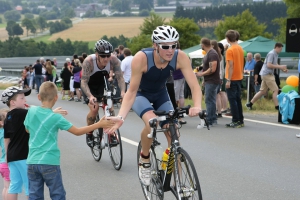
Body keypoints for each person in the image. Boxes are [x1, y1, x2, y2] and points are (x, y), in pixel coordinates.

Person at [105, 25, 202, 186]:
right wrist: (121, 116)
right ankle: (144, 159)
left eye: (174, 45)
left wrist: (197, 106)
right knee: (153, 122)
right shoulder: (141, 58)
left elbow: (194, 86)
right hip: (140, 94)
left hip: (160, 93)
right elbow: (131, 91)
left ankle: (178, 182)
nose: (170, 50)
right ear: (155, 46)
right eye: (165, 46)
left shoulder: (181, 57)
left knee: (174, 132)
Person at [23, 82, 114, 200]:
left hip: (32, 162)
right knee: (57, 194)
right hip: (49, 162)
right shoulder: (56, 118)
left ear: (39, 97)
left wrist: (49, 115)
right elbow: (77, 131)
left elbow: (27, 130)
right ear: (56, 97)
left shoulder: (31, 111)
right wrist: (99, 124)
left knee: (34, 195)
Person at [80, 39, 125, 147]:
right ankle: (89, 133)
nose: (106, 59)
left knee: (110, 107)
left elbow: (120, 78)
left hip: (102, 82)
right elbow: (84, 82)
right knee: (94, 109)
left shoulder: (114, 60)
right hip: (88, 85)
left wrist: (123, 92)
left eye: (108, 55)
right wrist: (90, 96)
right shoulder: (89, 61)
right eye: (102, 56)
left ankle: (112, 133)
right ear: (97, 54)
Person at [1, 86, 32, 199]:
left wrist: (7, 157)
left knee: (14, 185)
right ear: (13, 102)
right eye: (22, 98)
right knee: (30, 186)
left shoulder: (8, 117)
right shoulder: (22, 113)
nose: (25, 100)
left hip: (12, 156)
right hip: (24, 156)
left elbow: (6, 139)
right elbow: (39, 114)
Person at [246, 43, 288, 110]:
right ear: (277, 47)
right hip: (267, 74)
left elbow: (274, 64)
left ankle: (250, 104)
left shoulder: (275, 54)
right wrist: (280, 66)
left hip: (265, 74)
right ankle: (277, 106)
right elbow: (269, 65)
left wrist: (282, 68)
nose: (281, 50)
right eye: (280, 48)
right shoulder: (272, 53)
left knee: (262, 91)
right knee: (276, 90)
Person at [196, 38, 220, 126]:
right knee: (210, 100)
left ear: (203, 45)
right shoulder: (210, 53)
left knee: (209, 100)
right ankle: (212, 119)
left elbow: (212, 69)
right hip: (209, 80)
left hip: (212, 80)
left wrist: (201, 74)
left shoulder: (212, 54)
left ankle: (210, 119)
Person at [224, 30, 245, 128]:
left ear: (228, 39)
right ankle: (240, 119)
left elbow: (231, 65)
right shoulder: (240, 48)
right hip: (239, 77)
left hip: (232, 77)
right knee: (237, 99)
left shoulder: (230, 50)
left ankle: (235, 120)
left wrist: (228, 79)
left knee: (232, 100)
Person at [173, 41, 186, 124]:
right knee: (181, 96)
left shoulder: (174, 54)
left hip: (175, 76)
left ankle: (177, 116)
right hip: (182, 76)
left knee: (175, 97)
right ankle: (181, 115)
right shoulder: (182, 53)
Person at [0, 109, 9, 200]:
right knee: (10, 188)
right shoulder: (5, 133)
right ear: (2, 122)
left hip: (2, 163)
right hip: (7, 162)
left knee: (6, 187)